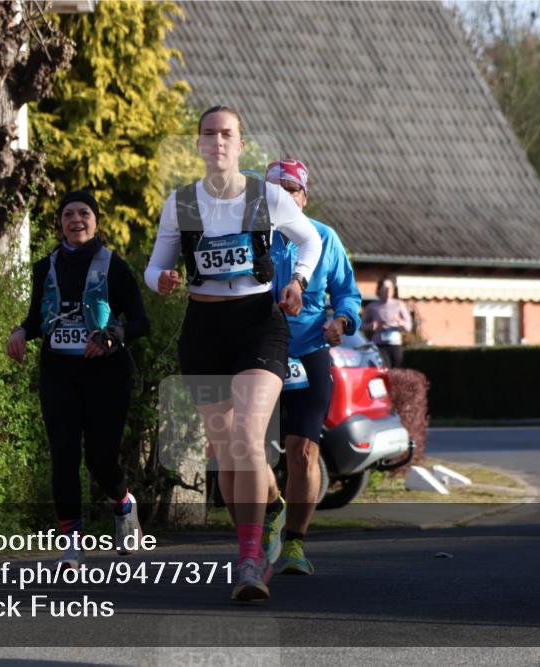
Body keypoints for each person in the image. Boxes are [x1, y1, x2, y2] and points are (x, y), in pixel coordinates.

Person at [145, 106, 322, 602]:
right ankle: (270, 509)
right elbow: (154, 266)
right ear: (198, 144)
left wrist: (299, 282)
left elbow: (310, 241)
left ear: (241, 145)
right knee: (228, 457)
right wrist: (159, 279)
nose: (217, 141)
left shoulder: (265, 196)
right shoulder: (180, 202)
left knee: (248, 435)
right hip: (202, 331)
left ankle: (249, 560)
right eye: (208, 134)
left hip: (257, 326)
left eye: (227, 134)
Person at [7, 190, 150, 567]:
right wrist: (21, 332)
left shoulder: (114, 266)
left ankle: (123, 504)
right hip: (58, 375)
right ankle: (72, 542)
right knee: (64, 455)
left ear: (96, 220)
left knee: (101, 459)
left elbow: (139, 321)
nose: (76, 220)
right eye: (68, 214)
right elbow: (38, 318)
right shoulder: (45, 267)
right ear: (60, 223)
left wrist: (110, 336)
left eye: (84, 213)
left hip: (107, 376)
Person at [262, 158, 362, 576]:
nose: (285, 196)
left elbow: (348, 294)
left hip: (308, 351)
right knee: (254, 453)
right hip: (259, 355)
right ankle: (272, 508)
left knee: (304, 452)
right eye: (276, 190)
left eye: (293, 189)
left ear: (304, 196)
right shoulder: (251, 239)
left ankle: (296, 545)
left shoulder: (324, 238)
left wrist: (341, 322)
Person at [361, 276, 412, 368]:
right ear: (379, 290)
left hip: (395, 344)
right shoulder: (372, 307)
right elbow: (362, 325)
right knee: (385, 368)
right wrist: (372, 326)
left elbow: (409, 326)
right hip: (379, 344)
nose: (388, 290)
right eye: (385, 288)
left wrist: (401, 322)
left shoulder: (399, 305)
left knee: (397, 369)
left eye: (390, 288)